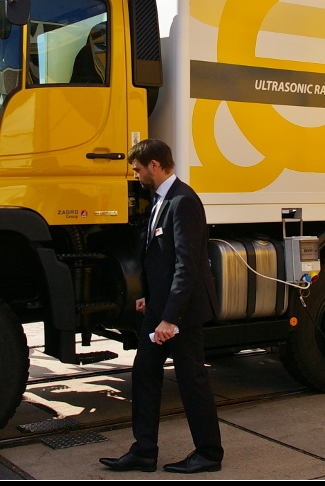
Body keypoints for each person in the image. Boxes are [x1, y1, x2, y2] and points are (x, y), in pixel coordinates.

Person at [100, 140, 223, 474]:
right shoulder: (160, 200)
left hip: (180, 313)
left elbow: (187, 266)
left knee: (191, 380)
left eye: (138, 170)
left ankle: (209, 453)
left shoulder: (183, 201)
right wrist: (150, 297)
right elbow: (161, 257)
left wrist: (170, 318)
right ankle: (144, 451)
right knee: (144, 376)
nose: (137, 176)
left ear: (154, 165)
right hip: (159, 307)